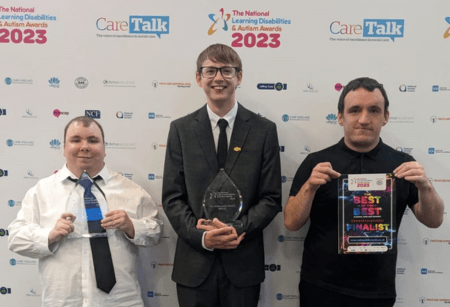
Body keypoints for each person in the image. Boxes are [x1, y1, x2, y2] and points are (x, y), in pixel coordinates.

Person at [284, 77, 444, 307]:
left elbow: (434, 220)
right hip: (321, 287)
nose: (364, 119)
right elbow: (291, 222)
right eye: (355, 110)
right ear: (340, 116)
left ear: (385, 117)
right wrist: (309, 187)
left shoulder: (402, 164)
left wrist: (425, 187)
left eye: (374, 110)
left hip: (378, 291)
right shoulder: (316, 163)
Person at [162, 43, 282, 307]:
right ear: (198, 78)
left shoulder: (264, 131)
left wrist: (237, 229)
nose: (218, 78)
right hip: (194, 264)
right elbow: (172, 197)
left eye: (227, 71)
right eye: (210, 71)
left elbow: (271, 198)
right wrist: (202, 236)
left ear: (239, 77)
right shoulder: (180, 130)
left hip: (242, 262)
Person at [8, 116, 163, 307]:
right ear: (64, 148)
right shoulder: (42, 192)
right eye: (75, 140)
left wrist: (132, 226)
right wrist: (49, 234)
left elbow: (156, 232)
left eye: (93, 140)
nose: (84, 147)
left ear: (104, 149)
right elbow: (15, 238)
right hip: (63, 301)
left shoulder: (131, 191)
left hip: (120, 301)